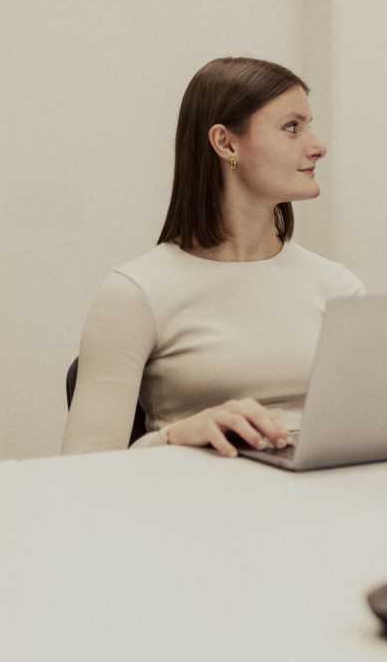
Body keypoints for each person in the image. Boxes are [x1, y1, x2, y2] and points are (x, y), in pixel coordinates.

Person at [63, 57, 365, 456]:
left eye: (310, 126)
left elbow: (373, 427)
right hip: (198, 507)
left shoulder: (337, 286)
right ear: (225, 143)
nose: (318, 146)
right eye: (293, 127)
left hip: (327, 501)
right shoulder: (134, 293)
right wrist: (173, 437)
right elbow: (83, 467)